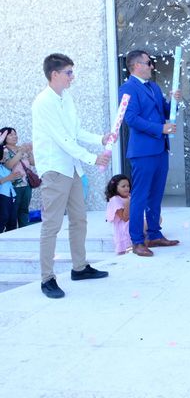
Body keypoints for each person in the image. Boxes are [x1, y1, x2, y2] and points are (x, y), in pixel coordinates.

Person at [32, 53, 112, 299]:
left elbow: (75, 131)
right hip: (55, 170)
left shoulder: (66, 98)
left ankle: (80, 267)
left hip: (72, 168)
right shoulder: (43, 102)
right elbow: (62, 138)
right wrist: (92, 158)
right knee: (52, 225)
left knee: (79, 219)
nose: (72, 78)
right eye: (68, 73)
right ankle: (47, 278)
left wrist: (100, 139)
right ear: (54, 74)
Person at [119, 50, 181, 257]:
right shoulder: (127, 88)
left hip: (160, 149)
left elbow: (165, 111)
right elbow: (132, 119)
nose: (152, 66)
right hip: (143, 151)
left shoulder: (154, 86)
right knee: (140, 196)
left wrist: (174, 102)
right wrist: (160, 129)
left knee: (155, 195)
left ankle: (154, 234)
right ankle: (137, 240)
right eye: (149, 63)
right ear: (136, 65)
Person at [0, 127, 35, 227]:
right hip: (13, 186)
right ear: (4, 137)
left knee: (24, 210)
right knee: (13, 213)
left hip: (26, 184)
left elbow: (33, 163)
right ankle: (13, 234)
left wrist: (29, 151)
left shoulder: (21, 148)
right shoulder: (3, 151)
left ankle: (25, 232)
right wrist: (20, 153)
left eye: (15, 134)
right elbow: (9, 165)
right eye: (11, 135)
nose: (15, 136)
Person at [105, 174, 133, 255]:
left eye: (128, 186)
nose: (127, 188)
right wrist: (127, 204)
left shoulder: (128, 197)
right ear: (115, 188)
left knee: (158, 219)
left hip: (132, 222)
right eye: (123, 186)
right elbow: (125, 218)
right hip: (124, 227)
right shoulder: (115, 199)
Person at [0, 129, 20, 233]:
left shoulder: (3, 167)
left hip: (11, 195)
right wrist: (9, 178)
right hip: (2, 196)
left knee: (12, 222)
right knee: (3, 219)